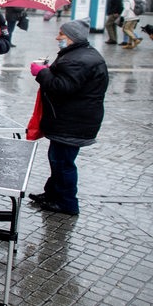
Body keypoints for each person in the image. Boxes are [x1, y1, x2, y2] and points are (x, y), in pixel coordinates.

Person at [28, 17, 108, 215]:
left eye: (62, 34)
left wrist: (42, 73)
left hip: (72, 122)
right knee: (57, 159)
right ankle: (52, 194)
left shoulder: (78, 60)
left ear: (73, 37)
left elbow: (62, 87)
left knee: (63, 163)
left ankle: (67, 203)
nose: (58, 38)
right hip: (70, 120)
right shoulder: (78, 54)